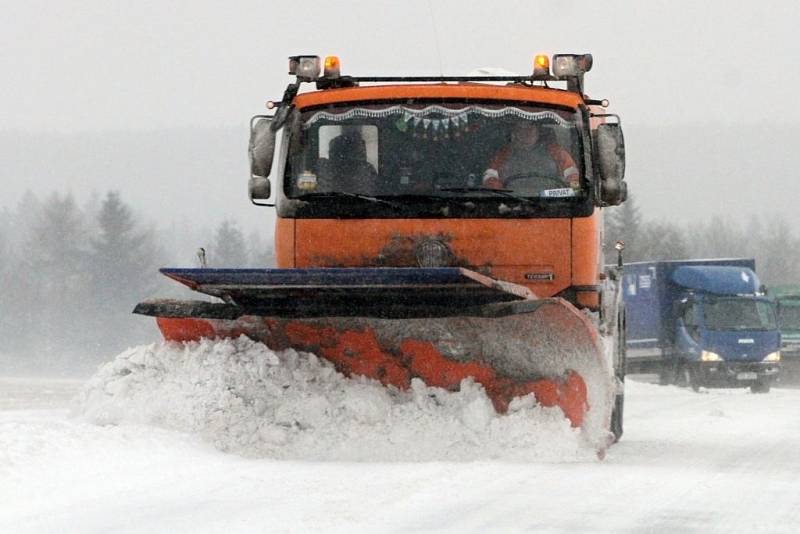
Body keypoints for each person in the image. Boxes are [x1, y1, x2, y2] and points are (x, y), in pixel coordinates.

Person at [482, 121, 579, 190]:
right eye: (521, 129)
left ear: (538, 131)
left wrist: (574, 192)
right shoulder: (504, 153)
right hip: (511, 203)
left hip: (551, 203)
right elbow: (490, 176)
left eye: (530, 128)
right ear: (514, 132)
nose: (526, 133)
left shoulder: (555, 151)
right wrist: (500, 194)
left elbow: (573, 175)